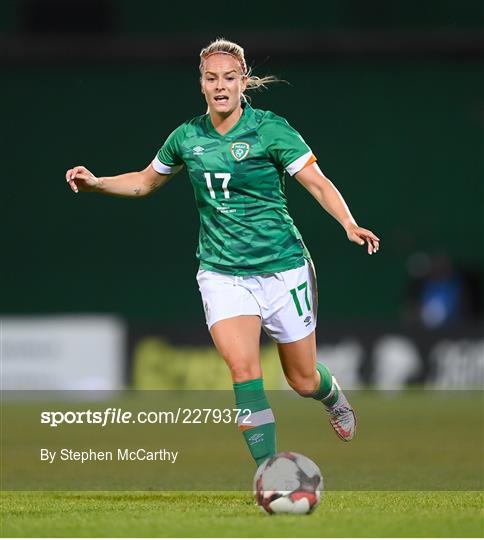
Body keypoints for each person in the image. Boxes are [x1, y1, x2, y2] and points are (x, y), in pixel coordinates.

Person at [66, 38, 380, 467]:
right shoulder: (187, 137)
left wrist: (348, 222)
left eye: (229, 78)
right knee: (244, 372)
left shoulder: (271, 129)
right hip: (222, 273)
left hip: (283, 268)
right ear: (201, 84)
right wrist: (98, 182)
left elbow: (318, 182)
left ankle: (332, 396)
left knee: (303, 380)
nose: (220, 86)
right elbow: (144, 182)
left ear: (243, 82)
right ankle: (271, 473)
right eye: (211, 78)